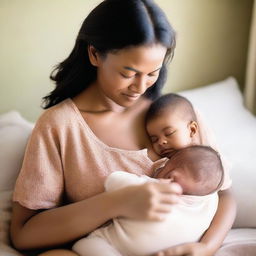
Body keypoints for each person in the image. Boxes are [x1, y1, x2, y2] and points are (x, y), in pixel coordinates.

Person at [10, 0, 236, 255]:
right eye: (129, 73)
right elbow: (24, 234)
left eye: (152, 73)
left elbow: (224, 193)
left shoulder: (176, 116)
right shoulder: (59, 127)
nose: (140, 88)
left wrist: (206, 247)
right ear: (94, 54)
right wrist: (116, 202)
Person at [72, 145, 224, 256]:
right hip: (167, 251)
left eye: (164, 166)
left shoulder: (156, 187)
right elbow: (223, 191)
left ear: (171, 176)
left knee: (84, 244)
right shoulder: (211, 199)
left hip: (116, 245)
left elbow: (113, 181)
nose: (159, 168)